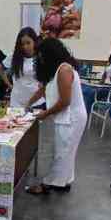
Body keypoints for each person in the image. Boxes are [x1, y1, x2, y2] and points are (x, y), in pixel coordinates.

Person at [24, 38, 88, 194]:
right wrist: (28, 104)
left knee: (62, 152)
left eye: (41, 55)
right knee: (66, 151)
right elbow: (44, 90)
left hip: (71, 118)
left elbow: (65, 101)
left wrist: (44, 113)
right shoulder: (56, 70)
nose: (40, 59)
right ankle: (64, 181)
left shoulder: (64, 70)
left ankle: (48, 184)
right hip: (66, 117)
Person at [9, 27, 43, 110]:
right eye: (22, 44)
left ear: (34, 42)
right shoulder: (14, 56)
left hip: (37, 102)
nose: (25, 47)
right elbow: (0, 69)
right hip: (16, 102)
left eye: (28, 43)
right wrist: (9, 85)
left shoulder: (40, 57)